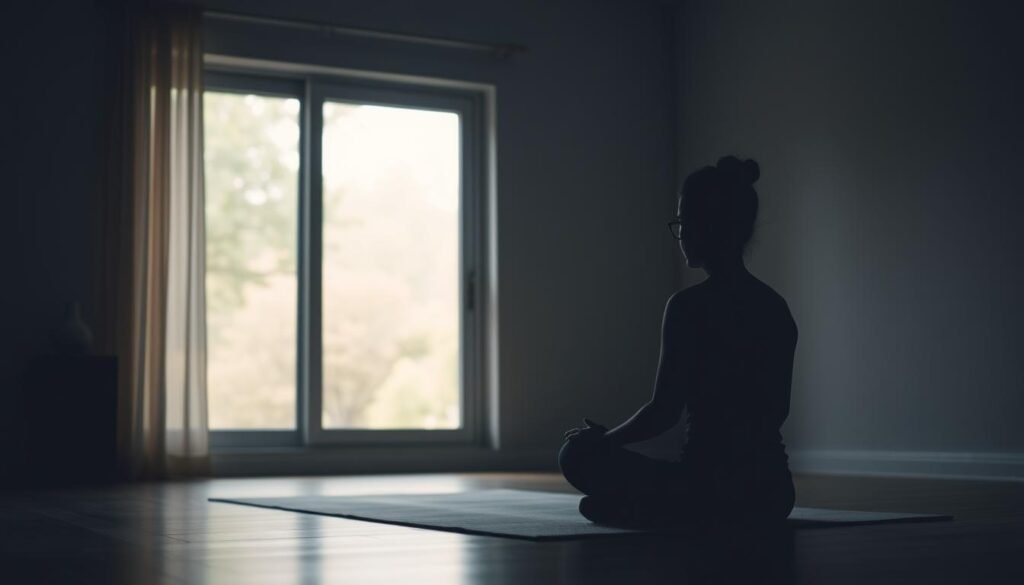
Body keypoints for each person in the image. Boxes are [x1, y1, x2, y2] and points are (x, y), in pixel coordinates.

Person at [559, 156, 797, 530]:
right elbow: (777, 411)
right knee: (689, 491)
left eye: (684, 222)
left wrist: (604, 442)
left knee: (573, 454)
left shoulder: (688, 307)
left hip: (705, 486)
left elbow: (663, 412)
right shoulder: (775, 307)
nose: (681, 233)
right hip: (773, 493)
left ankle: (660, 511)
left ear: (709, 227)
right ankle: (666, 511)